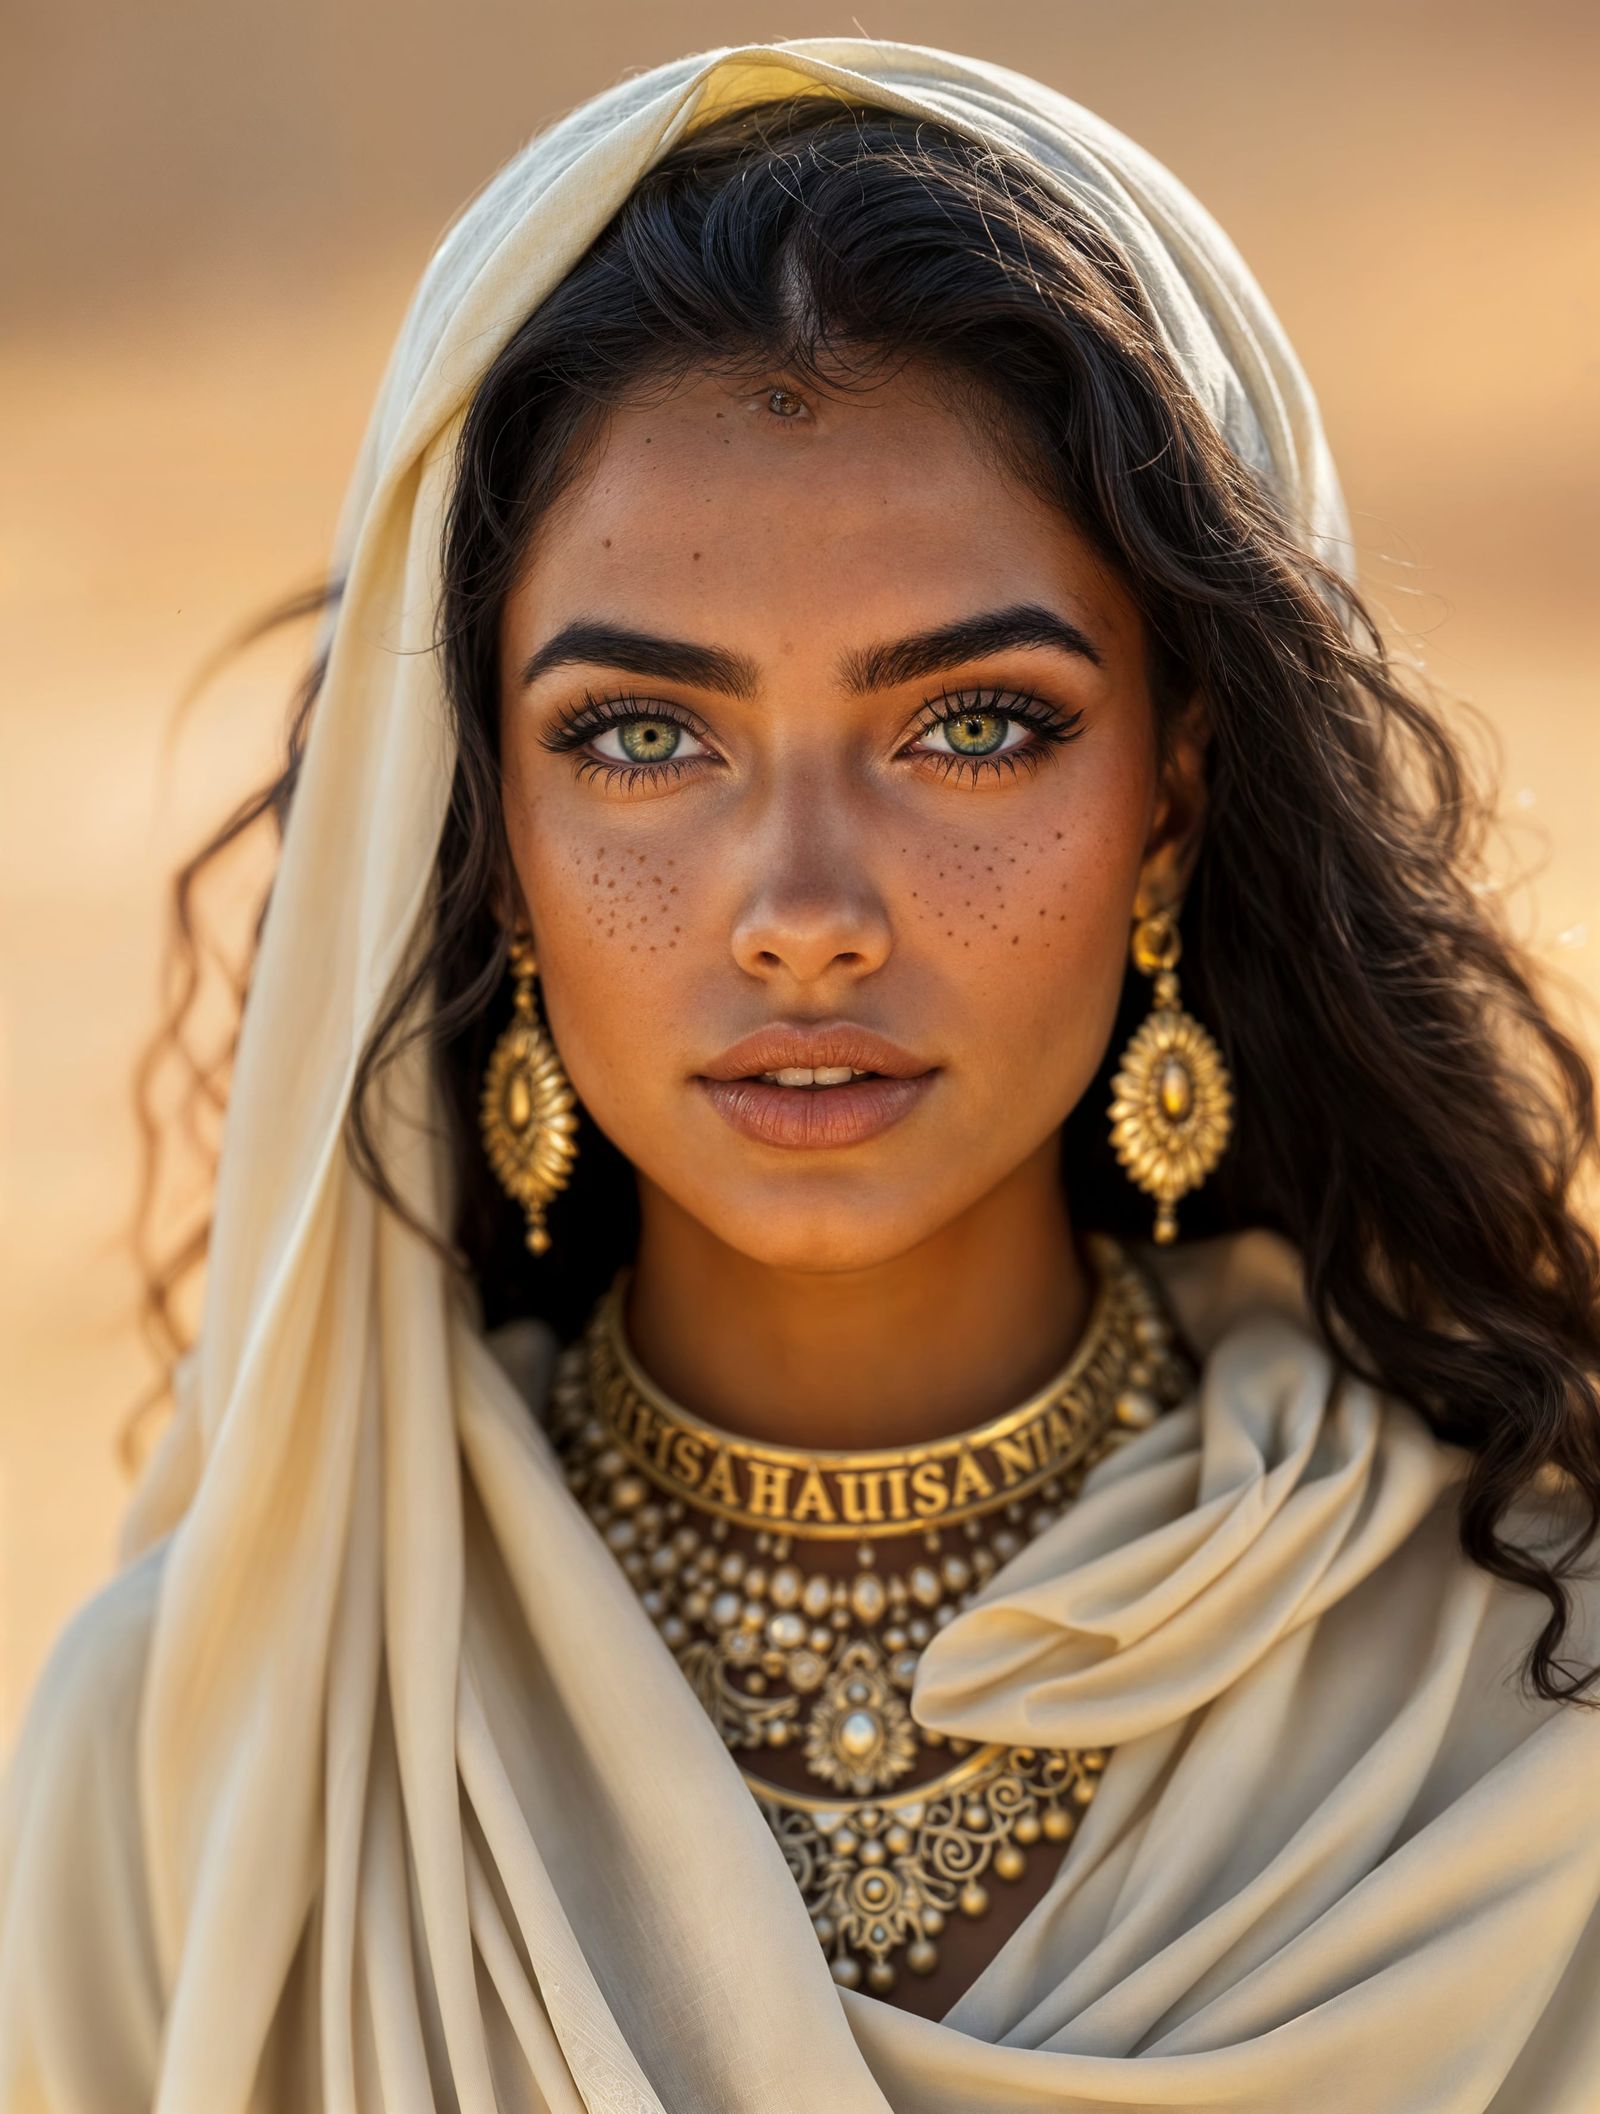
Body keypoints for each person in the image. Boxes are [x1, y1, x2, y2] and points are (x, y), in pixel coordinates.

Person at [3, 36, 1599, 2114]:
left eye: (973, 723)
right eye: (643, 739)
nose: (801, 912)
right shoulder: (209, 1759)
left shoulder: (1503, 1703)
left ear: (1174, 801)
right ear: (485, 830)